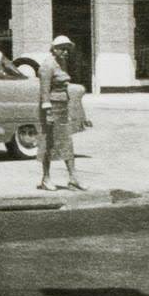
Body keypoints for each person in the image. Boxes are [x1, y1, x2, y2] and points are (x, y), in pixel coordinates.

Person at [37, 35, 86, 192]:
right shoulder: (47, 65)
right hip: (51, 109)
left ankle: (73, 178)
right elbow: (44, 91)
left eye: (67, 49)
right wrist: (48, 112)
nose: (66, 52)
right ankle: (45, 178)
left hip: (63, 108)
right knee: (48, 143)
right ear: (54, 49)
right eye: (63, 48)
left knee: (67, 143)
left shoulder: (61, 63)